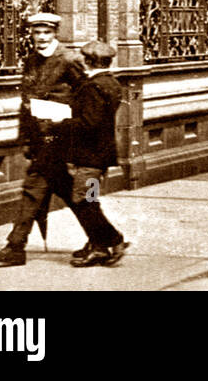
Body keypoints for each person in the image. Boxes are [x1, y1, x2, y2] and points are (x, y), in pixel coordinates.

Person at [0, 12, 87, 266]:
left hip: (61, 138)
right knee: (64, 191)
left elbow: (86, 99)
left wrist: (73, 132)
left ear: (55, 33)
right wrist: (26, 139)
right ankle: (106, 237)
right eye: (36, 33)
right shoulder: (31, 60)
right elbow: (26, 102)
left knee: (37, 189)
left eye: (46, 33)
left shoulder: (69, 60)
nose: (40, 38)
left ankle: (16, 246)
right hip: (41, 139)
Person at [64, 41, 130, 267]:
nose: (82, 62)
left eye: (84, 58)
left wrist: (61, 123)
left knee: (84, 201)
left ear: (89, 61)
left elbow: (88, 123)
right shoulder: (111, 83)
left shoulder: (92, 87)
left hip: (89, 156)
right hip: (101, 155)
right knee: (91, 200)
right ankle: (97, 244)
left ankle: (111, 241)